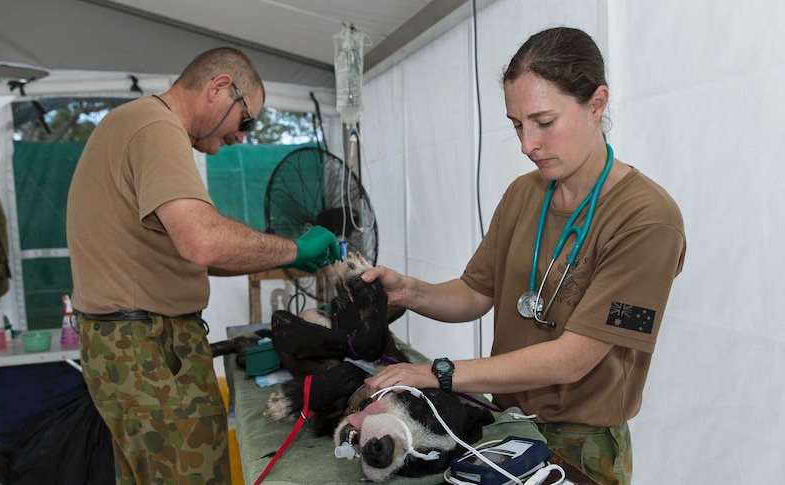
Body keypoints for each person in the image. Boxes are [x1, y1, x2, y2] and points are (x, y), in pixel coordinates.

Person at [363, 27, 685, 485]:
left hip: (581, 446)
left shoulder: (650, 222)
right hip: (505, 425)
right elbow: (475, 292)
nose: (526, 144)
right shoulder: (523, 194)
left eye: (543, 122)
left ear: (597, 104)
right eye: (516, 125)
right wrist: (411, 291)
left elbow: (575, 358)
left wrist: (438, 373)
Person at [66, 47, 340, 485]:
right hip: (145, 346)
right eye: (246, 119)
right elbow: (204, 242)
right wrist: (294, 248)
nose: (242, 137)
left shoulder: (134, 122)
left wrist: (286, 252)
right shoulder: (156, 128)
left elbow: (188, 252)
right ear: (219, 88)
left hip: (125, 343)